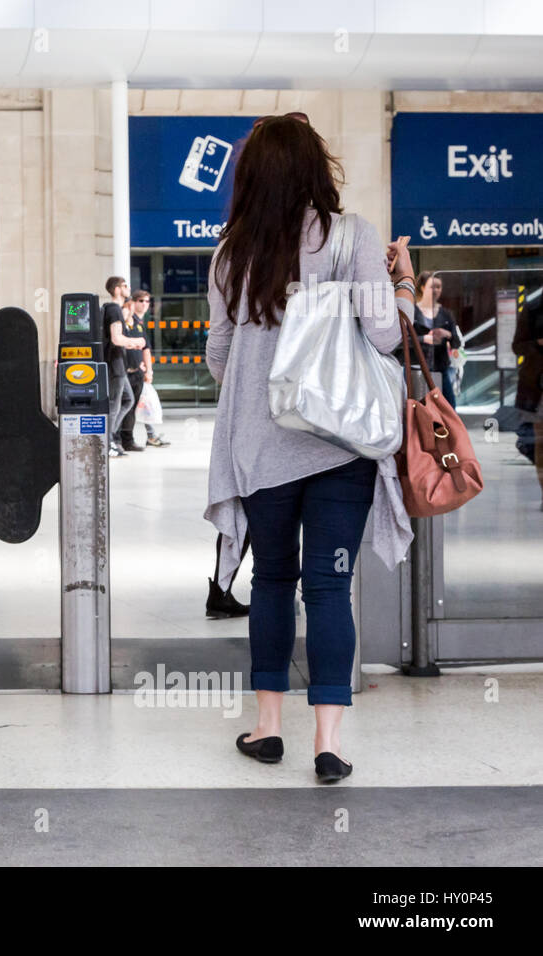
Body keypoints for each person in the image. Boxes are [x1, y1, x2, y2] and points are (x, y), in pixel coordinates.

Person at [204, 113, 412, 783]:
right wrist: (402, 283)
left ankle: (268, 727)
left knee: (272, 580)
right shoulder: (351, 236)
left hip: (261, 448)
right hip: (339, 444)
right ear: (317, 169)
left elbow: (218, 358)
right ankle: (328, 742)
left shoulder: (231, 251)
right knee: (329, 587)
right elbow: (384, 337)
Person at [119, 290, 171, 450]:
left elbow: (145, 349)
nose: (145, 304)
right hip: (125, 372)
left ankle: (140, 437)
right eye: (141, 301)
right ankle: (120, 438)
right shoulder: (125, 322)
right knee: (126, 405)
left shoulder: (139, 324)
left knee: (138, 405)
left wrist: (148, 370)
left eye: (148, 301)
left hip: (137, 372)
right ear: (132, 303)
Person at [102, 276, 143, 458]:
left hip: (119, 364)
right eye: (125, 285)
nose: (128, 288)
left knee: (128, 400)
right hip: (114, 364)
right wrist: (137, 341)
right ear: (117, 289)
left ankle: (110, 436)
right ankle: (107, 441)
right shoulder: (113, 309)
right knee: (114, 404)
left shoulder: (114, 310)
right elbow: (116, 338)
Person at [412, 271, 462, 407]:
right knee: (421, 410)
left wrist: (448, 334)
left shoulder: (446, 314)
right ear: (422, 288)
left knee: (449, 408)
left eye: (438, 287)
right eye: (432, 286)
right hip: (417, 370)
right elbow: (402, 341)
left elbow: (457, 343)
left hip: (440, 369)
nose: (436, 290)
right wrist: (424, 339)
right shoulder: (412, 312)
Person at [514, 286, 543, 510]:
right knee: (540, 444)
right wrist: (537, 344)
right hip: (537, 388)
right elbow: (518, 346)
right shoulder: (533, 308)